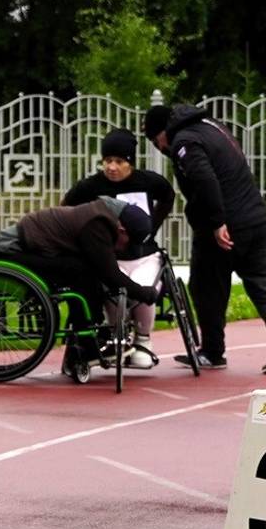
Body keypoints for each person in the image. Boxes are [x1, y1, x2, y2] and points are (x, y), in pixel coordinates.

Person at [145, 100, 266, 376]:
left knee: (205, 287)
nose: (161, 149)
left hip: (224, 227)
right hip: (256, 218)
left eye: (157, 143)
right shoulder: (212, 126)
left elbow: (204, 179)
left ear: (161, 133)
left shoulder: (184, 142)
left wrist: (217, 223)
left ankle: (212, 351)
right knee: (261, 286)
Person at [63, 129, 177, 367]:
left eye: (119, 161)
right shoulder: (90, 187)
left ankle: (143, 340)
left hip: (145, 256)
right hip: (111, 257)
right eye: (107, 161)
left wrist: (152, 226)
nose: (112, 167)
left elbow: (168, 196)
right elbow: (65, 208)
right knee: (113, 290)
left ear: (130, 162)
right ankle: (118, 338)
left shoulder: (149, 181)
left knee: (144, 288)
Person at [14, 198, 156, 383]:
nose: (126, 248)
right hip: (27, 245)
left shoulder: (107, 218)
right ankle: (87, 341)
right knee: (79, 273)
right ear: (122, 230)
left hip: (42, 240)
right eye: (129, 242)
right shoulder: (97, 228)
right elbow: (112, 277)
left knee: (86, 274)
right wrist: (144, 294)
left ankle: (88, 336)